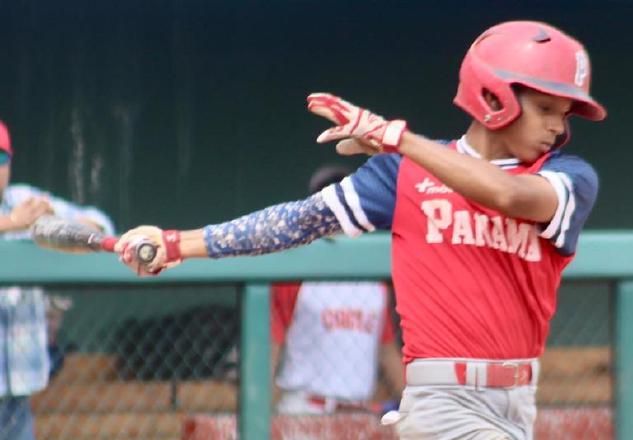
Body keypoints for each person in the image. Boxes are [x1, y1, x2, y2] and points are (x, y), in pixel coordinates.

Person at [115, 20, 606, 439]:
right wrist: (178, 244)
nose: (556, 128)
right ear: (494, 95)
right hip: (443, 404)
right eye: (545, 109)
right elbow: (299, 222)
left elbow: (509, 196)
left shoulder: (569, 177)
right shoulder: (403, 173)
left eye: (562, 115)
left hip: (518, 401)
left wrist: (398, 139)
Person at [0, 120, 115, 440]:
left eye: (0, 158)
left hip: (16, 395)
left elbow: (102, 223)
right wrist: (11, 223)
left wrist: (69, 225)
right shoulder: (17, 214)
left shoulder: (23, 199)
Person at [271, 164, 404, 415]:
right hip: (306, 409)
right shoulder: (296, 273)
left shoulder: (372, 278)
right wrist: (259, 412)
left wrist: (414, 405)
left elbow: (387, 351)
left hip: (360, 410)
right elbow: (271, 346)